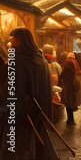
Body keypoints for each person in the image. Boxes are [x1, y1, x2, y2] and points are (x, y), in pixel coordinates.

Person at [0, 27, 59, 159]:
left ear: (20, 40)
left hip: (22, 118)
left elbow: (14, 92)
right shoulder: (42, 61)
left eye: (12, 40)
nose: (10, 44)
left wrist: (4, 108)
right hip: (38, 113)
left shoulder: (17, 62)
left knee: (17, 150)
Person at [60, 59, 81, 125]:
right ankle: (71, 119)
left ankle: (70, 119)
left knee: (68, 105)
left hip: (67, 90)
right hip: (72, 90)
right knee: (71, 104)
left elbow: (60, 78)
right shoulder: (73, 72)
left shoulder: (64, 72)